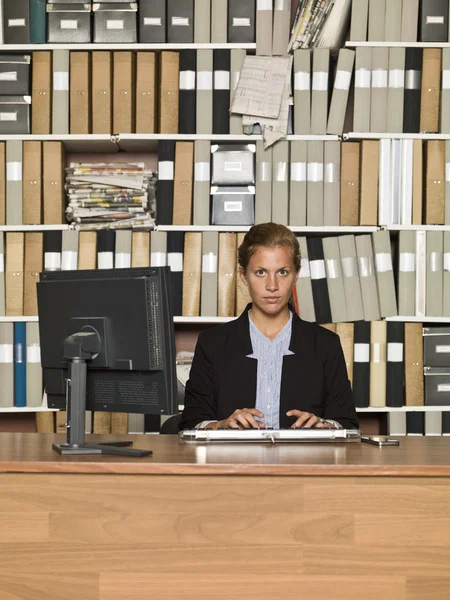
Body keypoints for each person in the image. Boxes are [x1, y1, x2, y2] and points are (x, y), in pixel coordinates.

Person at [180, 223, 358, 431]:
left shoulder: (326, 344)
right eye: (261, 272)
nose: (272, 286)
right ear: (243, 275)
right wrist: (221, 425)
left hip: (304, 461)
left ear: (296, 274)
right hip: (232, 461)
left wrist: (325, 426)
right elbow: (189, 424)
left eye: (282, 272)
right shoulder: (212, 343)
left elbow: (347, 424)